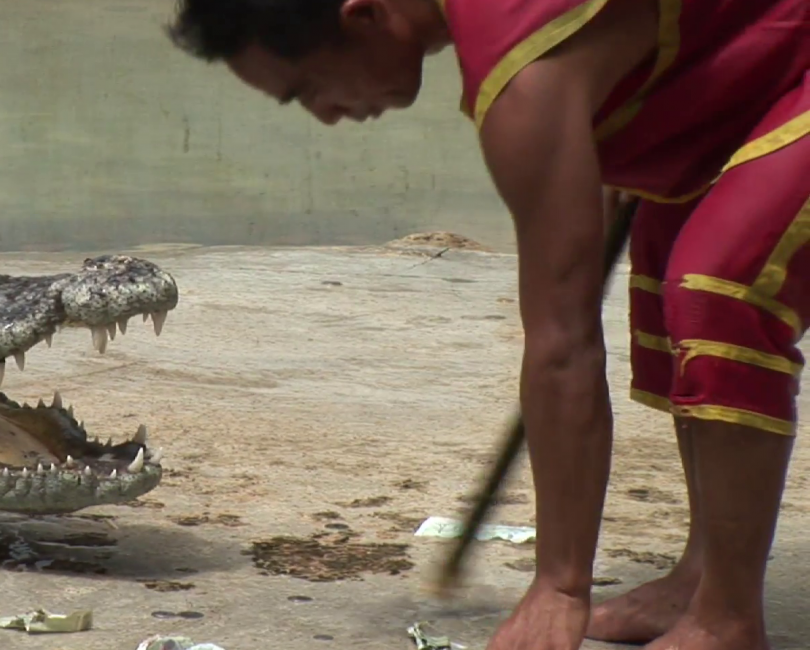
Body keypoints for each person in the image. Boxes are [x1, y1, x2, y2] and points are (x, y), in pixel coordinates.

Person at [164, 0, 810, 648]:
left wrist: (559, 584)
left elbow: (564, 343)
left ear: (361, 16)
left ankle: (725, 619)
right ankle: (703, 574)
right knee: (666, 244)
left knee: (718, 287)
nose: (327, 115)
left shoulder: (524, 78)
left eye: (307, 90)